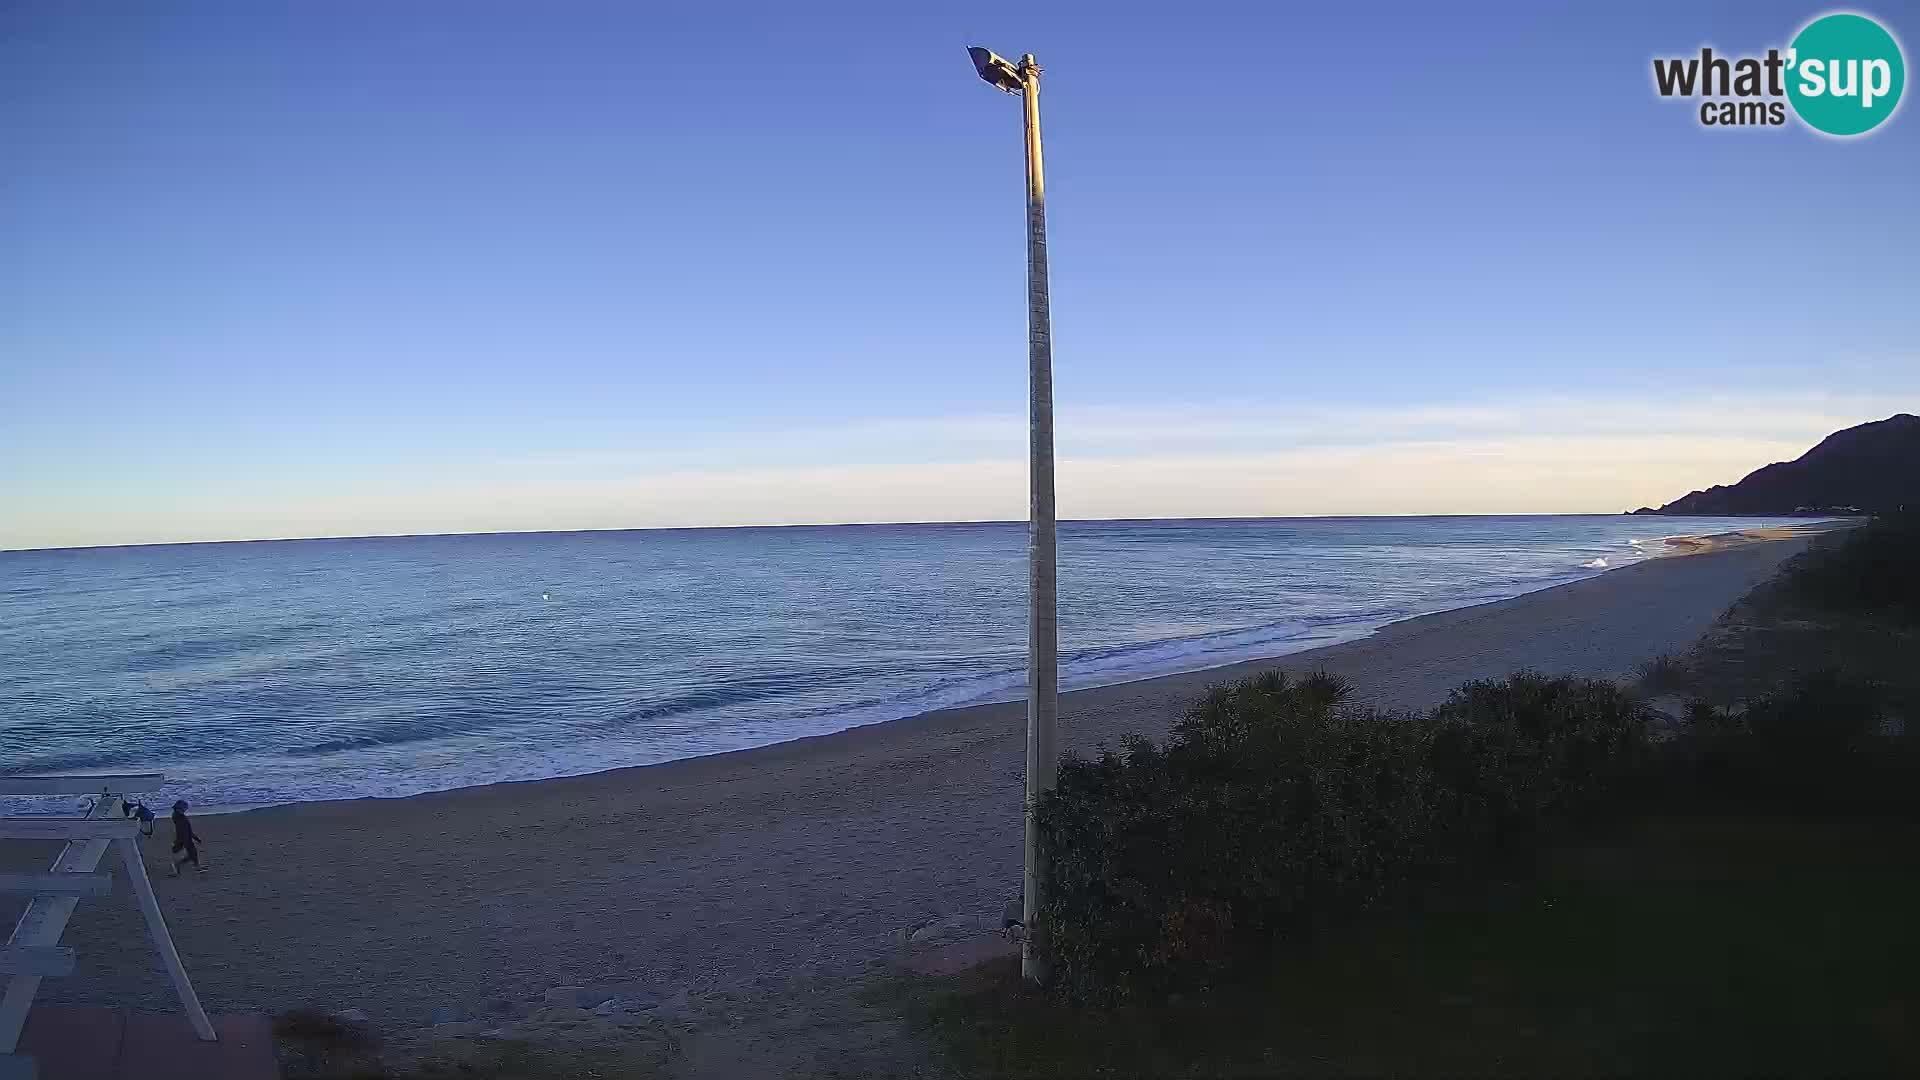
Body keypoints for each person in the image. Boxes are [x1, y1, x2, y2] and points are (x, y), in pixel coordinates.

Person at [168, 799, 205, 876]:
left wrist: (195, 838)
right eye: (184, 808)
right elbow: (185, 830)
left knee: (192, 854)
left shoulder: (178, 816)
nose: (185, 810)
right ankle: (177, 867)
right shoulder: (179, 817)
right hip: (183, 838)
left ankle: (196, 866)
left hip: (185, 837)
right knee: (191, 853)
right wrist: (194, 838)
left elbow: (188, 830)